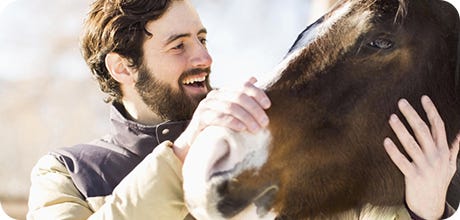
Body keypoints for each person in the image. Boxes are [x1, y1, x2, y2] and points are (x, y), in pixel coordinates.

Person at [27, 0, 458, 219]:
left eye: (202, 39)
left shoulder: (255, 152)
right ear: (123, 67)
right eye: (179, 46)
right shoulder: (67, 174)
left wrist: (422, 209)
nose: (203, 57)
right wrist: (179, 158)